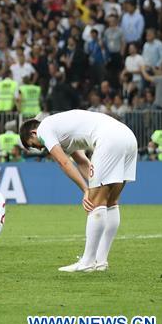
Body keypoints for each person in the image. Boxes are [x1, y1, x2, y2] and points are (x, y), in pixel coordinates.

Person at [20, 110, 137, 272]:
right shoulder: (61, 129)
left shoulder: (44, 129)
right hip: (128, 137)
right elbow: (82, 162)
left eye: (33, 144)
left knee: (95, 204)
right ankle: (101, 261)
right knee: (111, 202)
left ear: (34, 132)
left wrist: (86, 190)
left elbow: (63, 163)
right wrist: (93, 184)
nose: (39, 149)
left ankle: (87, 262)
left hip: (109, 139)